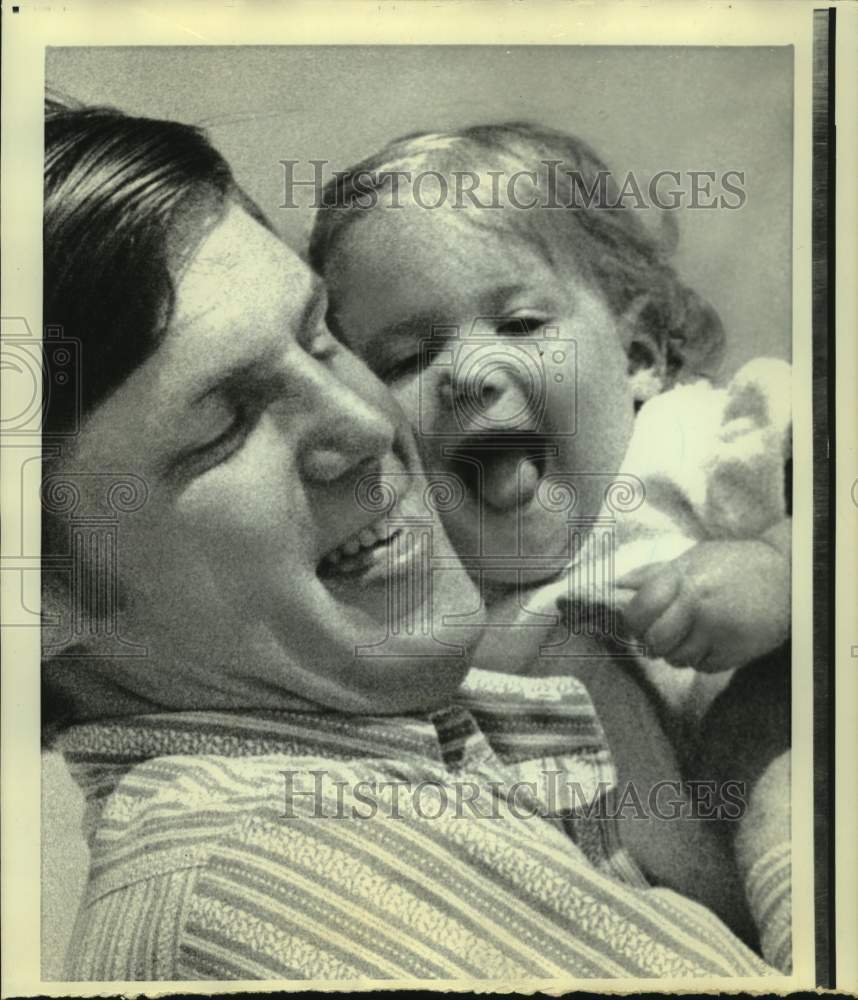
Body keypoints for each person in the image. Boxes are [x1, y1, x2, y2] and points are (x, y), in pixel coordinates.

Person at [43, 101, 777, 981]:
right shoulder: (263, 894)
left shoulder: (457, 753)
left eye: (318, 341)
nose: (367, 420)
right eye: (223, 427)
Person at [308, 122, 791, 973]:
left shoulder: (690, 449)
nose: (464, 372)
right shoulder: (432, 590)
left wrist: (779, 575)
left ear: (640, 357)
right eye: (408, 357)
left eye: (522, 322)